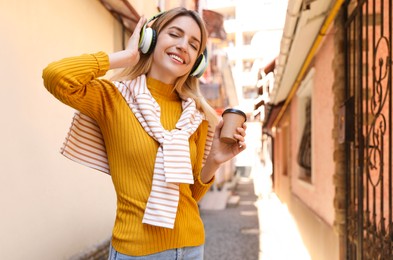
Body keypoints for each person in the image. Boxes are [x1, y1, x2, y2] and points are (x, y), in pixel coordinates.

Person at [42, 7, 246, 259]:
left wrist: (214, 160)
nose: (183, 46)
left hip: (191, 247)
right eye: (175, 34)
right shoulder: (114, 98)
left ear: (197, 62)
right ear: (150, 39)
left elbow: (190, 195)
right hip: (136, 251)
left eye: (194, 45)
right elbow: (56, 76)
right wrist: (127, 56)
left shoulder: (195, 116)